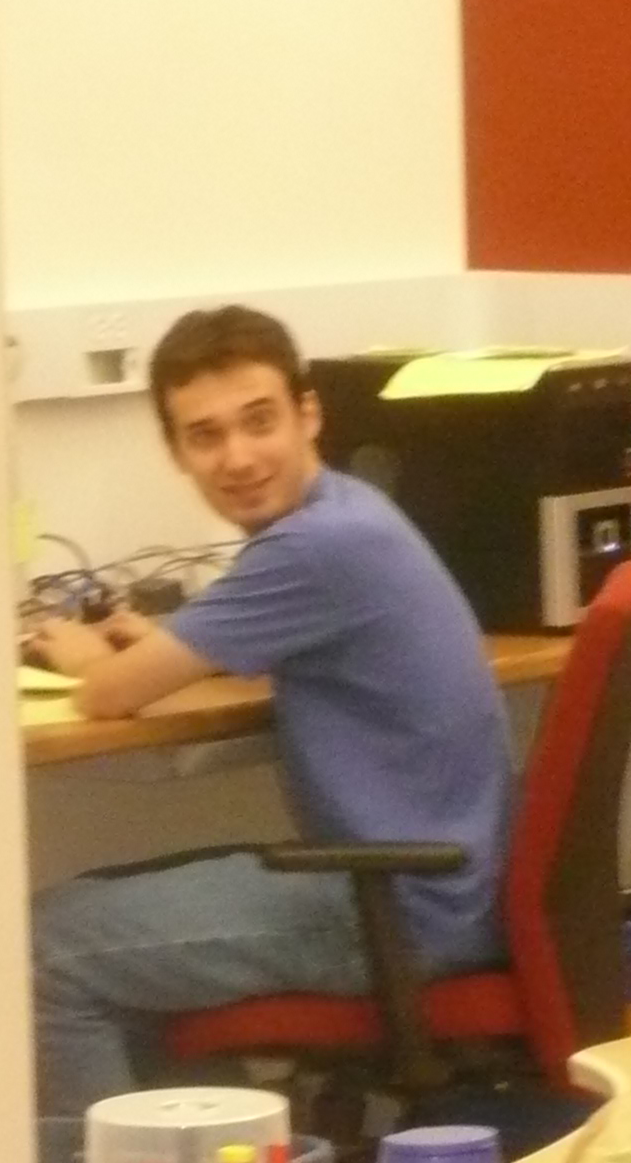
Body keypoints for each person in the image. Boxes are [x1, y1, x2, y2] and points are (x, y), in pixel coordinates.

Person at [26, 306, 514, 1121]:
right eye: (206, 436)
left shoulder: (314, 548)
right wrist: (177, 643)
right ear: (177, 452)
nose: (239, 457)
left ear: (308, 414)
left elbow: (106, 694)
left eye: (259, 422)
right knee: (88, 913)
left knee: (43, 951)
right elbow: (265, 635)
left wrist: (83, 656)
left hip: (393, 909)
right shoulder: (349, 512)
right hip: (442, 890)